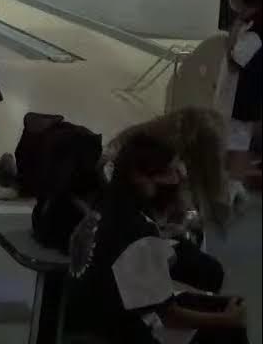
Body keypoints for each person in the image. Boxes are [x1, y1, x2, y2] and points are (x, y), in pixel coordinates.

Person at [67, 133, 250, 344]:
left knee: (212, 302)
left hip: (91, 320)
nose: (179, 178)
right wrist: (227, 320)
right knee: (229, 329)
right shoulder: (140, 234)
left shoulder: (105, 204)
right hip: (118, 332)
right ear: (141, 177)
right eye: (172, 171)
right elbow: (170, 316)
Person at [214, 0, 261, 180]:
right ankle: (228, 183)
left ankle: (233, 186)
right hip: (233, 97)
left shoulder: (257, 30)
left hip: (242, 100)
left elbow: (235, 63)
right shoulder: (246, 22)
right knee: (230, 141)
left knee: (238, 144)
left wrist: (231, 36)